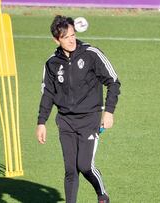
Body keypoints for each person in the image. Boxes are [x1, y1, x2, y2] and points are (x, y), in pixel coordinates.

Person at [35, 15, 121, 203]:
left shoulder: (91, 54)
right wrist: (41, 122)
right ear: (56, 40)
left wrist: (109, 111)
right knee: (70, 170)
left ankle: (102, 194)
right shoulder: (51, 63)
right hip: (66, 121)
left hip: (90, 118)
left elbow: (113, 82)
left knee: (84, 165)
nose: (71, 40)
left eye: (73, 35)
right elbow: (47, 94)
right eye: (66, 37)